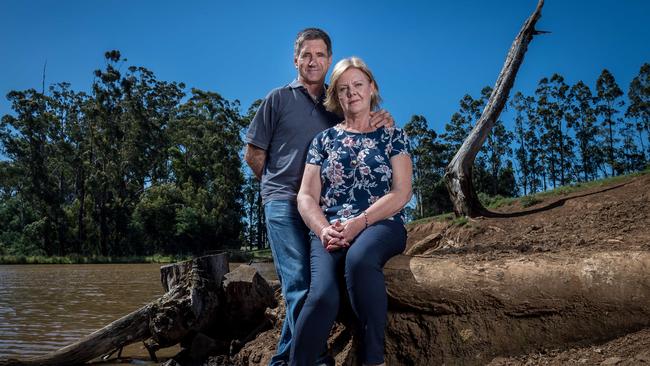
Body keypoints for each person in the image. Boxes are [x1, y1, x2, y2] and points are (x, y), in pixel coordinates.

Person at [244, 28, 393, 366]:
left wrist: (382, 118)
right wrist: (275, 188)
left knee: (313, 284)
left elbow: (361, 123)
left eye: (320, 55)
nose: (313, 61)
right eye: (306, 55)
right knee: (297, 281)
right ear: (295, 59)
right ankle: (318, 358)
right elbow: (253, 152)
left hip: (324, 210)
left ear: (329, 60)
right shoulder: (277, 99)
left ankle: (285, 359)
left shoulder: (336, 102)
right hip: (283, 202)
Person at [290, 57, 412, 366]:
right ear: (336, 97)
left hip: (382, 224)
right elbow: (306, 196)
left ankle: (373, 360)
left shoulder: (393, 136)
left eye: (358, 85)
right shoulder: (323, 141)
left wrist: (361, 222)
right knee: (321, 296)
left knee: (359, 261)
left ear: (371, 88)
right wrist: (322, 229)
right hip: (331, 228)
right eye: (343, 88)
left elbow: (402, 192)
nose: (352, 93)